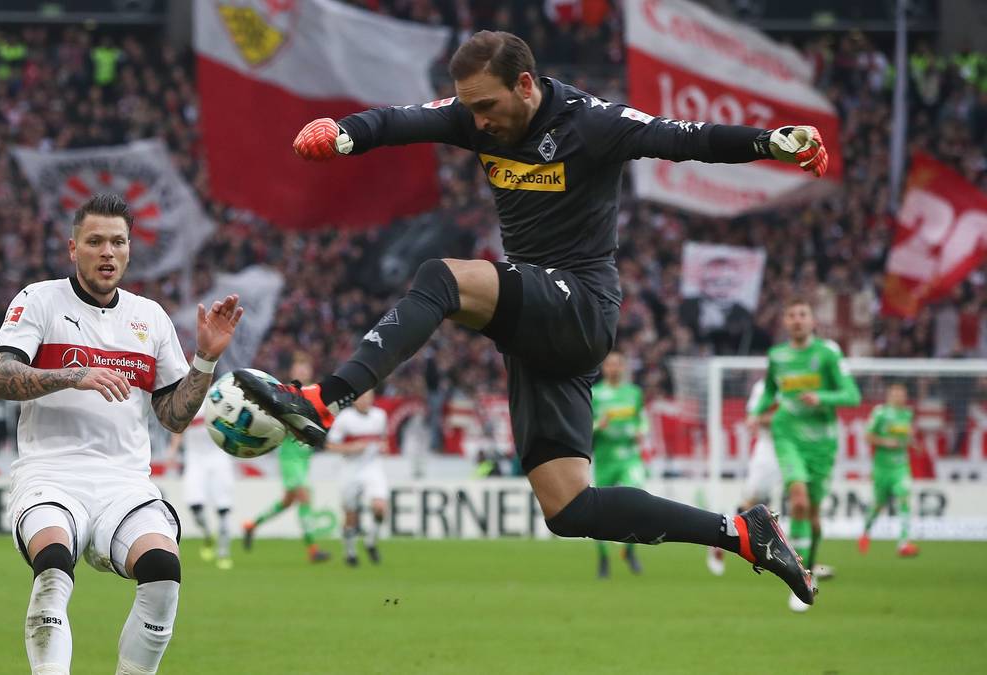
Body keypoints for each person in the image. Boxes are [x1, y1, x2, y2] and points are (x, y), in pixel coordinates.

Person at [235, 30, 828, 605]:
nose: (479, 122)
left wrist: (768, 142)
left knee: (442, 278)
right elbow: (399, 120)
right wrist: (343, 132)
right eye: (470, 110)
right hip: (540, 325)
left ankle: (321, 400)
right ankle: (744, 535)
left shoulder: (592, 123)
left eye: (488, 106)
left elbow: (687, 138)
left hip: (583, 303)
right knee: (570, 508)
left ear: (524, 84)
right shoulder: (474, 114)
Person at [0, 193, 244, 675]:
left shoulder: (150, 317)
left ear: (129, 249)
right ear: (72, 248)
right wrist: (71, 374)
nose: (108, 252)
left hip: (124, 482)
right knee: (55, 565)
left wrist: (205, 359)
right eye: (95, 241)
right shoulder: (39, 300)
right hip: (50, 475)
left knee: (164, 573)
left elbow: (174, 416)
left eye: (118, 242)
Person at [749, 298, 861, 612]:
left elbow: (852, 395)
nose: (797, 320)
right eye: (791, 315)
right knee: (796, 500)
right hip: (787, 435)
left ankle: (809, 566)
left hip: (822, 443)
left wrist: (821, 396)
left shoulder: (828, 353)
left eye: (803, 314)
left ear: (812, 321)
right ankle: (799, 578)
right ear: (785, 322)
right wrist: (757, 413)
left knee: (812, 515)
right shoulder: (777, 356)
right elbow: (771, 391)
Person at [242, 354, 331, 563]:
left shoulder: (314, 395)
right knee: (304, 496)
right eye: (299, 367)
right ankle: (313, 549)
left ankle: (251, 525)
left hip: (304, 456)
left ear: (310, 371)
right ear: (292, 372)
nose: (302, 371)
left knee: (288, 501)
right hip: (289, 456)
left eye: (305, 367)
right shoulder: (284, 394)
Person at [707, 377, 780, 577]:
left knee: (803, 500)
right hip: (771, 448)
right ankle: (717, 541)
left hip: (802, 447)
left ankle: (808, 562)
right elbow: (754, 419)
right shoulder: (764, 387)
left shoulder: (807, 384)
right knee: (751, 502)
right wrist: (787, 417)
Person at [591, 353, 648, 578]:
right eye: (610, 364)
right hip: (605, 458)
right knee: (599, 512)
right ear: (604, 368)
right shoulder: (595, 394)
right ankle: (604, 557)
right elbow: (585, 425)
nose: (613, 368)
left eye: (617, 364)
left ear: (623, 367)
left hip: (629, 456)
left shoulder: (634, 393)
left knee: (637, 498)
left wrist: (641, 430)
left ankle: (629, 550)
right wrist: (598, 425)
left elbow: (641, 419)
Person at [326, 390, 389, 567]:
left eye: (369, 396)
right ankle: (350, 553)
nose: (366, 400)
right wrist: (352, 447)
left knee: (380, 507)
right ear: (354, 400)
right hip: (350, 468)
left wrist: (384, 448)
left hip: (372, 467)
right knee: (350, 514)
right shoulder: (345, 418)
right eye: (362, 397)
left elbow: (384, 441)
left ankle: (370, 541)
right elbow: (331, 445)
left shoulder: (380, 416)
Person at [859, 382, 920, 558]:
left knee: (904, 495)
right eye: (896, 393)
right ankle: (865, 532)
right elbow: (867, 436)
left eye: (902, 394)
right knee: (878, 505)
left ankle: (903, 543)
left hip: (901, 466)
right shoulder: (880, 413)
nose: (899, 397)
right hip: (882, 467)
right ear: (889, 395)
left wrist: (913, 444)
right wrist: (886, 442)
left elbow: (906, 436)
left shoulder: (907, 414)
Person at [172, 413, 237, 570]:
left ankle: (223, 553)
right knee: (194, 506)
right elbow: (178, 428)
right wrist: (172, 450)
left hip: (219, 456)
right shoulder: (189, 398)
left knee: (223, 508)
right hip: (194, 458)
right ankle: (208, 534)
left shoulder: (222, 396)